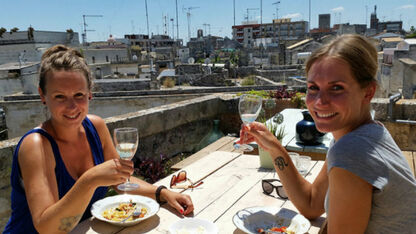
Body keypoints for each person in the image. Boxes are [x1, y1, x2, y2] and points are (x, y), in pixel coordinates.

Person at [4, 45, 194, 233]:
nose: (72, 107)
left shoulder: (95, 126)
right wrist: (90, 179)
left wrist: (162, 193)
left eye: (79, 95)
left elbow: (120, 182)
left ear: (90, 94)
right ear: (42, 95)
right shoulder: (36, 145)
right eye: (60, 96)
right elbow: (48, 228)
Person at [239, 34, 416, 233]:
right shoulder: (362, 135)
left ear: (368, 92)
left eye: (337, 88)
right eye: (313, 88)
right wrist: (275, 149)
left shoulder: (353, 150)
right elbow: (311, 203)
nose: (319, 101)